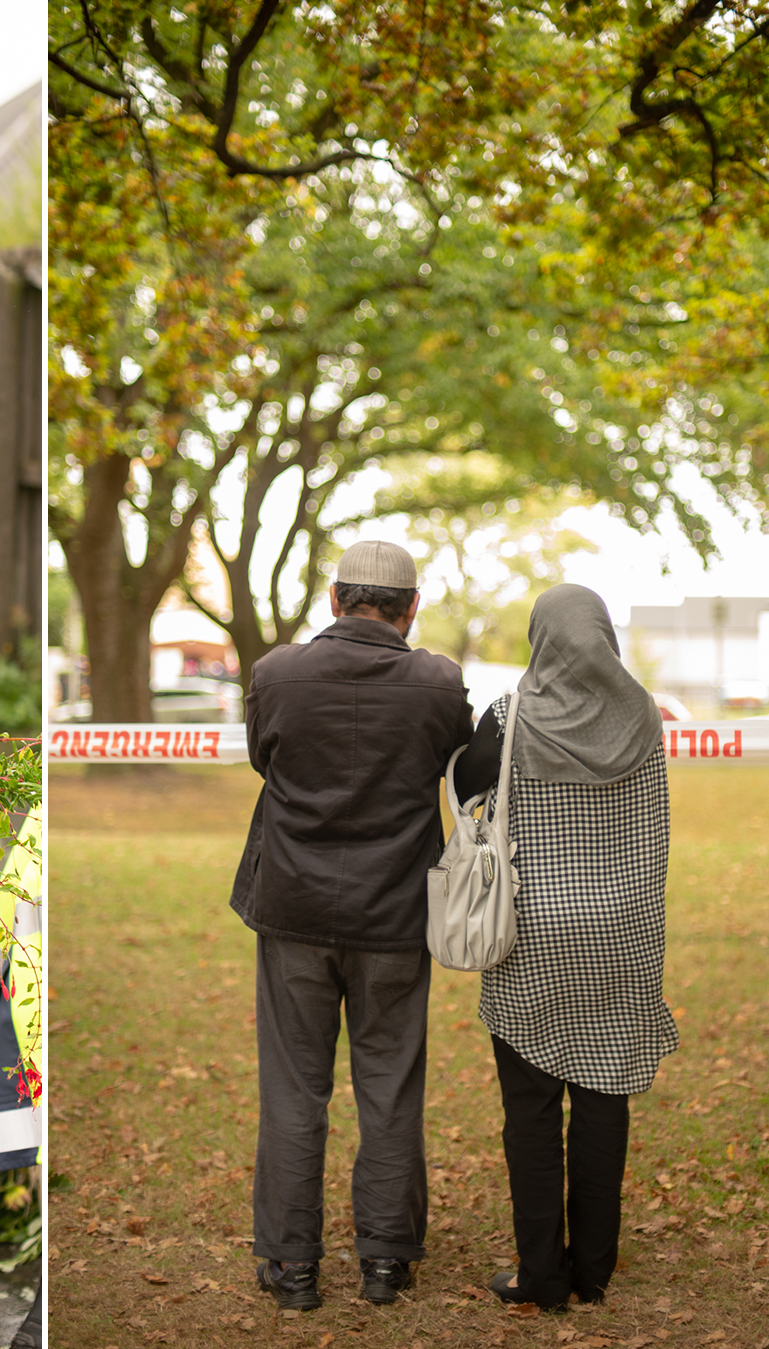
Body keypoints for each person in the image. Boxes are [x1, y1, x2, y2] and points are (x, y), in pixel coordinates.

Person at [229, 539, 473, 1310]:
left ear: (334, 600)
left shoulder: (276, 673)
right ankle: (384, 1261)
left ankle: (293, 1265)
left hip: (296, 906)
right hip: (396, 911)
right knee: (390, 1087)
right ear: (409, 609)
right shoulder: (439, 682)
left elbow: (265, 761)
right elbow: (449, 761)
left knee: (294, 1088)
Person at [452, 583, 676, 1310]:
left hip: (532, 935)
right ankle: (594, 1271)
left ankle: (541, 1274)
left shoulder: (507, 716)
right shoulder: (643, 713)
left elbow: (461, 787)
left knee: (531, 1109)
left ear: (540, 638)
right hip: (624, 931)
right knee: (605, 1096)